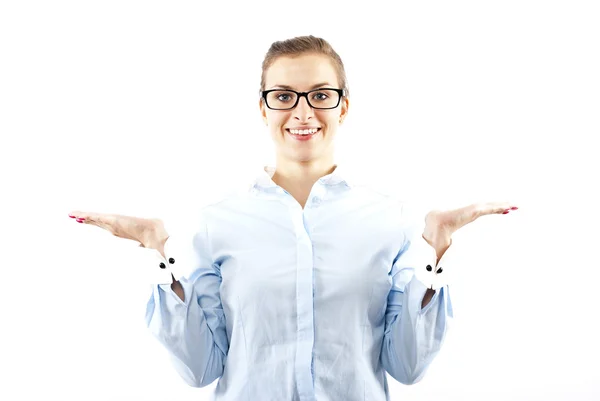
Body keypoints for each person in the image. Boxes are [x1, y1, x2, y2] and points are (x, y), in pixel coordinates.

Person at [69, 35, 518, 401]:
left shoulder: (390, 220)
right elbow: (200, 369)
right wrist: (158, 249)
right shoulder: (217, 223)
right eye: (284, 96)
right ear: (263, 108)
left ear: (343, 105)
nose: (303, 112)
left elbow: (407, 367)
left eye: (320, 95)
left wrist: (435, 246)